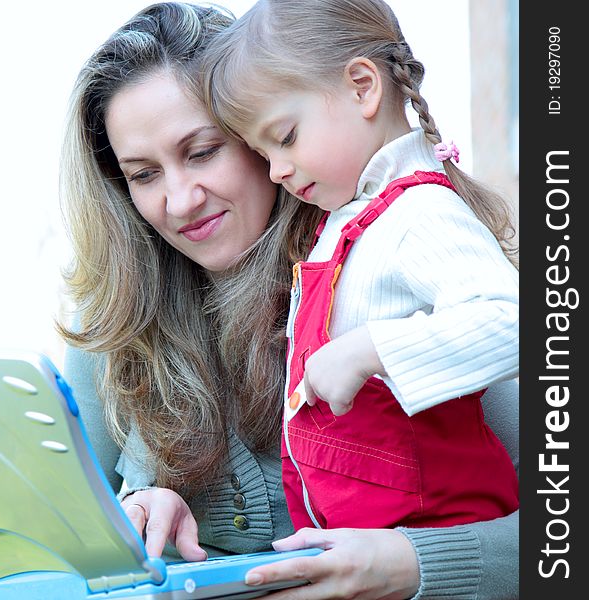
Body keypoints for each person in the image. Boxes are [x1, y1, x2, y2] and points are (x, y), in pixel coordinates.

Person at [58, 3, 519, 598]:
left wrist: (411, 563)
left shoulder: (393, 269)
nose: (178, 200)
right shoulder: (112, 328)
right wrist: (139, 514)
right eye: (143, 174)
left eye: (202, 151)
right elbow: (73, 560)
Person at [200, 0, 518, 533]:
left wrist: (369, 349)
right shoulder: (348, 221)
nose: (276, 171)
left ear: (363, 87)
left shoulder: (419, 213)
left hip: (432, 532)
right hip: (358, 542)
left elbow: (516, 322)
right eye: (262, 155)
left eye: (284, 137)